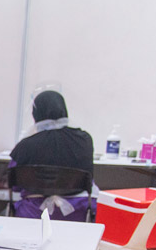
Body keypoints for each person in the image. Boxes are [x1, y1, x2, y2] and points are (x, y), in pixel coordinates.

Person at [9, 90, 95, 221]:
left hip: (33, 214)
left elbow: (15, 185)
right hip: (76, 213)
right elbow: (89, 177)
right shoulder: (84, 140)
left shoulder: (25, 145)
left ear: (36, 114)